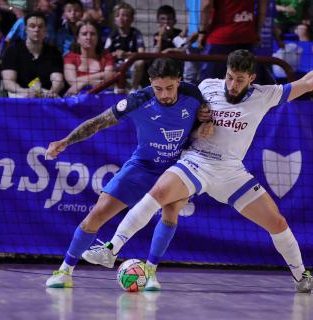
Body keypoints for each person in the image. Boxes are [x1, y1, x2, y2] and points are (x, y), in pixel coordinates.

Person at [82, 30, 313, 294]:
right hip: (197, 161)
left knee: (277, 222)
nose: (232, 84)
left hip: (231, 172)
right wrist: (197, 129)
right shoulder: (208, 86)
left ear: (251, 78)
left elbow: (309, 82)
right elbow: (182, 116)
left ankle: (302, 278)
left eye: (239, 79)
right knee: (157, 193)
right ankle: (111, 249)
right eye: (230, 77)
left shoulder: (266, 95)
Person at [45, 57, 212, 288]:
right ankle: (64, 272)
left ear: (179, 80)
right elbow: (98, 123)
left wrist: (206, 121)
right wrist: (65, 141)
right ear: (150, 83)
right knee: (97, 213)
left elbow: (209, 117)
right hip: (142, 165)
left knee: (171, 212)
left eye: (170, 88)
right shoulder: (138, 100)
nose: (164, 94)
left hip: (176, 168)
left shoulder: (193, 95)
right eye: (158, 89)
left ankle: (151, 273)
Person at [1, 11, 64, 98]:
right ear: (26, 29)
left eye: (40, 26)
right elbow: (8, 82)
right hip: (19, 93)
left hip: (46, 94)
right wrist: (23, 91)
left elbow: (58, 79)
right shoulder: (12, 50)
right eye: (32, 26)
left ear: (45, 29)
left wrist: (53, 91)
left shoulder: (54, 52)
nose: (37, 29)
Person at [63, 20, 114, 96]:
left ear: (97, 38)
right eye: (84, 34)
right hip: (78, 98)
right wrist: (100, 76)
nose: (88, 37)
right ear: (77, 38)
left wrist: (83, 83)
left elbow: (109, 76)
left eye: (92, 34)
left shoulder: (106, 56)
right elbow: (73, 81)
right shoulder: (70, 57)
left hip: (102, 97)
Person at [104, 2, 145, 91]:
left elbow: (142, 54)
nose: (121, 18)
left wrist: (126, 55)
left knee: (140, 62)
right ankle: (115, 89)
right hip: (116, 66)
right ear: (114, 19)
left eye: (124, 15)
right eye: (118, 15)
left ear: (131, 19)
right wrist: (113, 55)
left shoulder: (136, 34)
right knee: (107, 66)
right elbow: (105, 55)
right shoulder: (112, 36)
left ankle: (134, 90)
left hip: (131, 65)